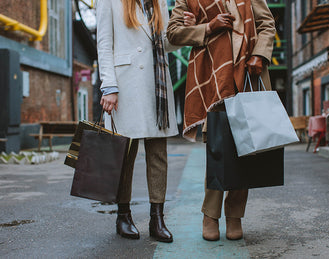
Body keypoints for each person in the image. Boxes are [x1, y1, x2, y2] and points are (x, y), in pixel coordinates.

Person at [167, 0, 276, 241]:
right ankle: (211, 215)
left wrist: (260, 54)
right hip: (212, 78)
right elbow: (173, 33)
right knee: (218, 148)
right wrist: (208, 27)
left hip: (247, 73)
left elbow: (267, 24)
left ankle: (234, 215)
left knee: (246, 148)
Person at [96, 0, 180, 243]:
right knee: (125, 155)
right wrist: (109, 85)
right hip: (126, 84)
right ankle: (123, 215)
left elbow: (164, 42)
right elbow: (104, 42)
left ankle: (157, 219)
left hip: (157, 84)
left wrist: (182, 32)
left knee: (158, 154)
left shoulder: (159, 2)